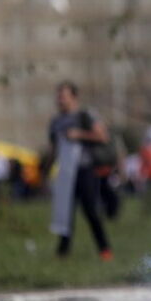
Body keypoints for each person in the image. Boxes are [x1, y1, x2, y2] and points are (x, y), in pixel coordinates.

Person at [48, 81, 113, 260]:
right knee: (65, 212)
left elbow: (103, 136)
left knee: (90, 210)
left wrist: (79, 134)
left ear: (74, 97)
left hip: (85, 170)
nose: (60, 100)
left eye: (63, 96)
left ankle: (104, 249)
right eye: (58, 96)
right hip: (65, 172)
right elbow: (53, 148)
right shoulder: (56, 121)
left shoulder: (85, 116)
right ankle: (63, 252)